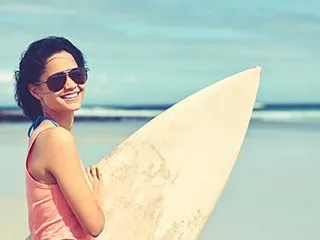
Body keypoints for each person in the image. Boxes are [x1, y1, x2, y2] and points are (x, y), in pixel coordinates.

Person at [14, 36, 105, 239]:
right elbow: (95, 225)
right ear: (35, 91)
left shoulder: (40, 133)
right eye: (57, 80)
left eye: (77, 75)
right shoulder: (57, 139)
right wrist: (96, 195)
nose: (71, 85)